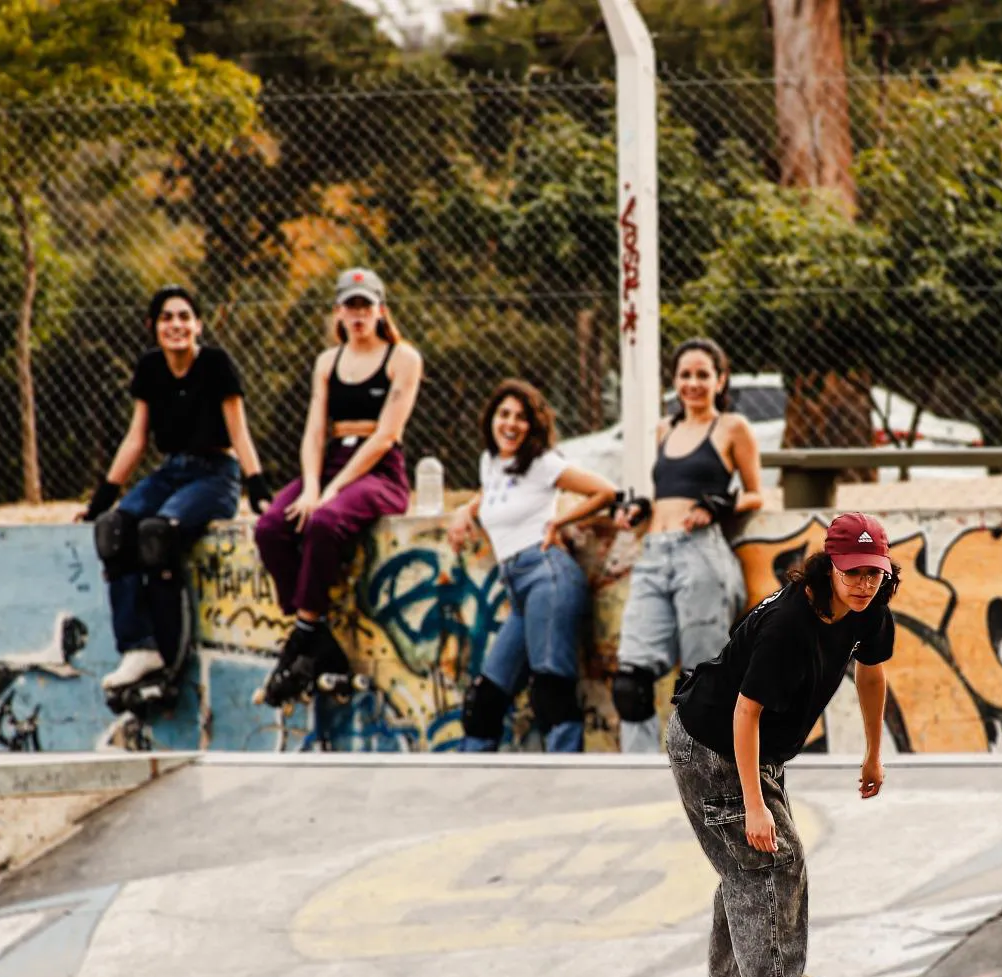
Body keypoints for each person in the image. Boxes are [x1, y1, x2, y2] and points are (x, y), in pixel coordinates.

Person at [666, 512, 899, 977]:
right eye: (852, 573)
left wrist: (873, 752)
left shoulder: (872, 605)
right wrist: (753, 805)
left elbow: (871, 674)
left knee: (748, 864)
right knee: (772, 860)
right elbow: (744, 713)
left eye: (873, 573)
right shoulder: (790, 624)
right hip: (712, 746)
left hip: (754, 748)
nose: (863, 585)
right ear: (829, 566)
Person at [81, 284, 273, 701]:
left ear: (198, 325)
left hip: (215, 475)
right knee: (115, 530)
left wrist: (257, 487)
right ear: (154, 327)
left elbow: (239, 431)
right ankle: (139, 647)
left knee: (157, 534)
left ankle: (169, 656)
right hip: (171, 472)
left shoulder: (217, 365)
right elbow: (136, 438)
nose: (176, 325)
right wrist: (105, 495)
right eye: (167, 318)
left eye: (185, 316)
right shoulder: (150, 369)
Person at [253, 267, 422, 705]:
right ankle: (319, 636)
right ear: (338, 312)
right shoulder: (327, 362)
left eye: (366, 305)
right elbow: (314, 431)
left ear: (381, 310)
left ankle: (300, 639)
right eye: (351, 305)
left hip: (379, 470)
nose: (359, 313)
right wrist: (312, 485)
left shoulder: (402, 357)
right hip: (332, 463)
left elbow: (386, 435)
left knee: (324, 523)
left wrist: (333, 492)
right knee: (271, 526)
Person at [613, 337, 765, 753]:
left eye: (703, 374)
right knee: (630, 683)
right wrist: (640, 509)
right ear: (675, 381)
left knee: (698, 684)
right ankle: (639, 778)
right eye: (685, 375)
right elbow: (663, 491)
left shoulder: (732, 427)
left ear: (720, 380)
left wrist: (718, 505)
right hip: (654, 554)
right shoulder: (665, 428)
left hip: (701, 556)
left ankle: (700, 776)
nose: (693, 383)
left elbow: (756, 494)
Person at [448, 380, 617, 752]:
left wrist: (558, 522)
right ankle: (468, 793)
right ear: (491, 419)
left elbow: (605, 490)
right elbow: (495, 494)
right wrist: (465, 509)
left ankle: (564, 784)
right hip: (520, 590)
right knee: (484, 702)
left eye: (521, 417)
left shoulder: (543, 463)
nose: (511, 424)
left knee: (551, 691)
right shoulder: (491, 462)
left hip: (548, 578)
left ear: (533, 425)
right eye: (504, 414)